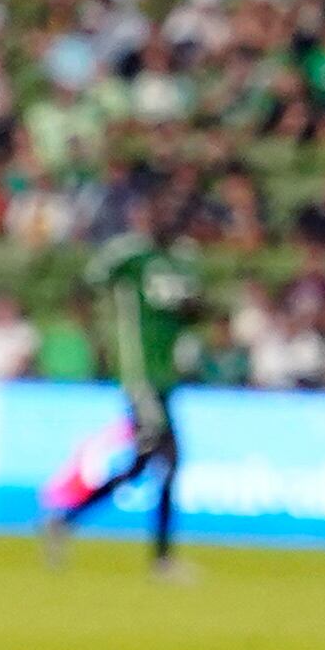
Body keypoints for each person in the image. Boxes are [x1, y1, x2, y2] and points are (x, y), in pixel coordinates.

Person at [48, 185, 204, 575]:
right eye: (161, 211)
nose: (169, 220)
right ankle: (162, 560)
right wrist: (98, 340)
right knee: (168, 457)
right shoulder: (129, 255)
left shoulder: (183, 259)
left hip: (167, 375)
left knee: (147, 463)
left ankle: (65, 521)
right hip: (140, 372)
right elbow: (85, 285)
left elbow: (194, 310)